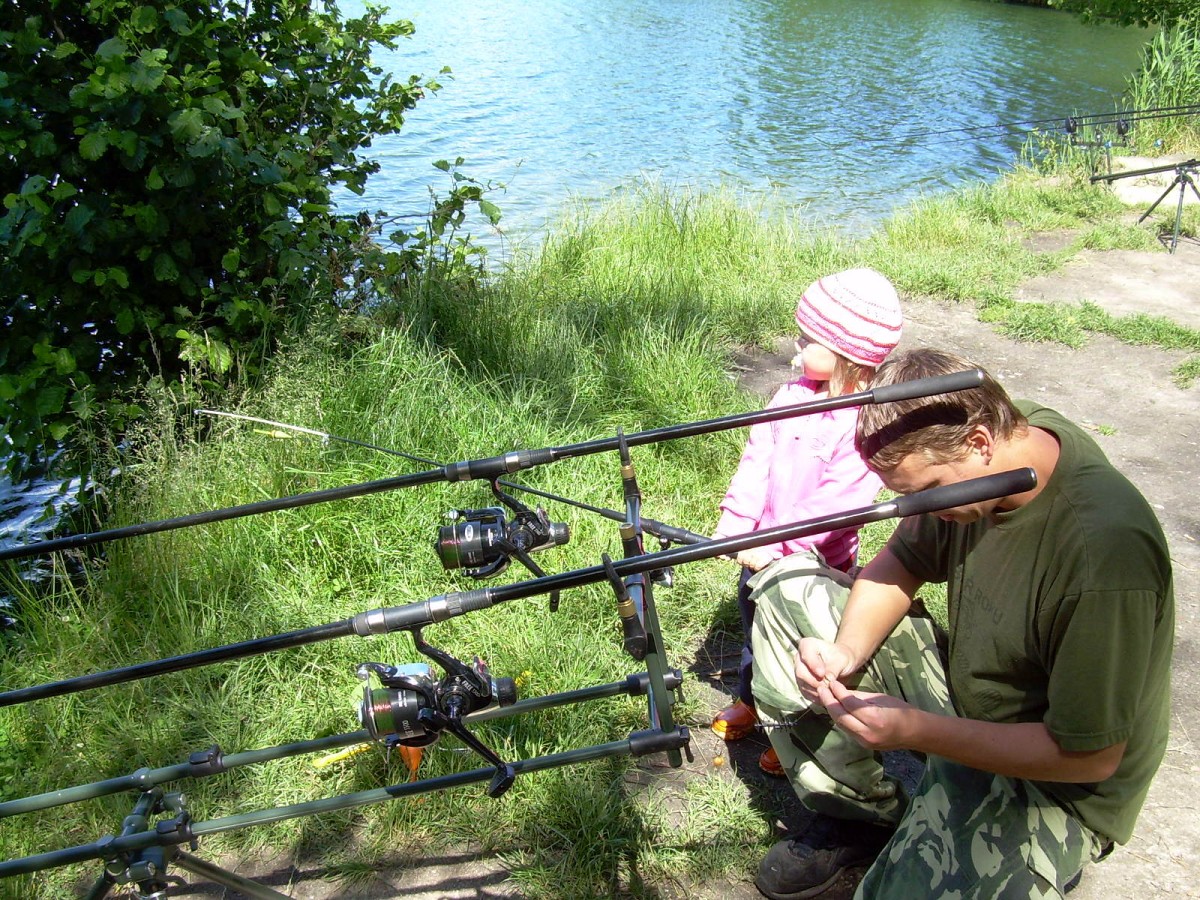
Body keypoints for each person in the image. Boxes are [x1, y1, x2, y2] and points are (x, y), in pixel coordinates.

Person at [749, 348, 1174, 899]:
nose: (919, 510)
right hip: (972, 697)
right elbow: (902, 561)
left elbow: (1088, 755)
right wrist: (845, 653)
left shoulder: (1104, 557)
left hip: (1058, 779)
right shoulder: (997, 443)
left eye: (925, 493)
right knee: (787, 589)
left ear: (979, 442)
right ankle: (861, 816)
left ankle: (1004, 837)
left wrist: (915, 731)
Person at [710, 268, 903, 776]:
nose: (795, 349)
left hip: (816, 566)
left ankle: (797, 729)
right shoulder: (790, 396)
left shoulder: (864, 421)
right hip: (761, 554)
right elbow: (757, 459)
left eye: (806, 339)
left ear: (846, 353)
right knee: (756, 630)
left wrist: (774, 546)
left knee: (804, 651)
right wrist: (736, 524)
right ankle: (752, 700)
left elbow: (835, 507)